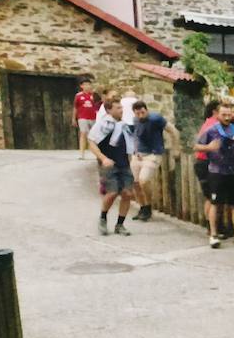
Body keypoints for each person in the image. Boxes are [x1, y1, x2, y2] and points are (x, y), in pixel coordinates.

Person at [194, 101, 234, 250]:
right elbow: (196, 146)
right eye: (223, 114)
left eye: (229, 114)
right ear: (217, 114)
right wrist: (209, 147)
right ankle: (213, 234)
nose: (226, 117)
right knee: (215, 203)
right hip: (217, 171)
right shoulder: (212, 130)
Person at [87, 94, 134, 236]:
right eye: (118, 108)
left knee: (127, 193)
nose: (121, 110)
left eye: (121, 107)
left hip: (124, 163)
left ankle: (120, 224)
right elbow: (92, 142)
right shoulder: (103, 124)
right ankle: (103, 218)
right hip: (109, 164)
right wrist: (103, 158)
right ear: (109, 110)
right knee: (112, 193)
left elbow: (129, 142)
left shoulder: (123, 124)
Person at [126, 100, 176, 222]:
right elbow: (136, 136)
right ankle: (143, 207)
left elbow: (173, 131)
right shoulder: (135, 120)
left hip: (153, 154)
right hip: (138, 155)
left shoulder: (155, 118)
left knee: (143, 181)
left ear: (146, 110)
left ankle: (148, 207)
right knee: (135, 183)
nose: (140, 115)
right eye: (137, 113)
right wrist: (136, 150)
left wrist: (176, 148)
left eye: (142, 112)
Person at [74, 79, 100, 159]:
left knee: (94, 135)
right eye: (85, 84)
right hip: (82, 117)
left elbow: (99, 105)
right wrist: (74, 118)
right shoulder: (78, 96)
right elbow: (75, 107)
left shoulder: (94, 95)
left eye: (89, 84)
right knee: (83, 134)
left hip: (93, 117)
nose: (87, 86)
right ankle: (82, 154)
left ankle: (97, 153)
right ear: (81, 86)